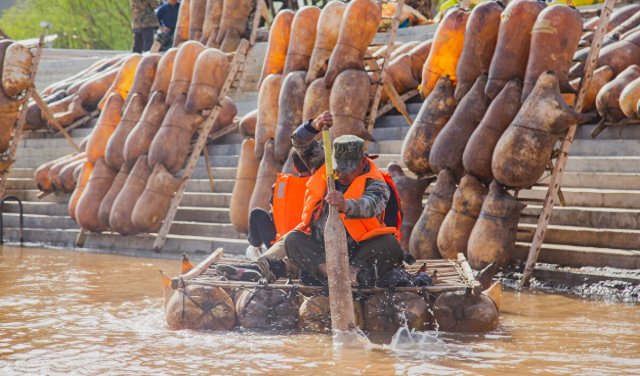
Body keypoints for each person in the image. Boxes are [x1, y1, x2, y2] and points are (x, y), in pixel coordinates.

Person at [246, 152, 311, 258]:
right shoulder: (318, 185)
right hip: (306, 243)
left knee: (256, 213)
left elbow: (274, 209)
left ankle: (256, 246)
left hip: (278, 243)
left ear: (294, 168)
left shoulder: (281, 186)